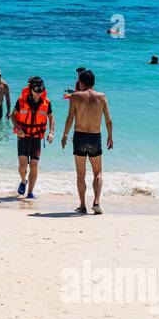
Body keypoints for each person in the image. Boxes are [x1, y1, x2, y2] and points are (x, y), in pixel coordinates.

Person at [61, 68, 113, 214]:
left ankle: (83, 205)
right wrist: (110, 136)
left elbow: (70, 117)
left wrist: (65, 135)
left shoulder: (75, 96)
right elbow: (108, 119)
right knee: (98, 172)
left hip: (80, 136)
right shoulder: (101, 96)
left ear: (81, 83)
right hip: (95, 137)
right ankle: (96, 202)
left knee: (81, 174)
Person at [11, 75, 53, 199]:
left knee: (34, 165)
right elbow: (13, 116)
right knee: (23, 166)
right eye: (36, 90)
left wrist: (51, 132)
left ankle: (30, 193)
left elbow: (51, 117)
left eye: (41, 90)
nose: (39, 93)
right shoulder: (21, 101)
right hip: (23, 136)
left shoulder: (46, 102)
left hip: (36, 138)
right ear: (30, 89)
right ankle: (23, 180)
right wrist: (17, 128)